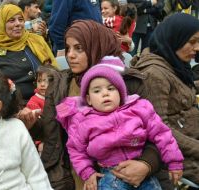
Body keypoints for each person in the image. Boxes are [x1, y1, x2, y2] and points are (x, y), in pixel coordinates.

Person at [18, 20, 170, 190]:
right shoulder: (61, 84)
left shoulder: (126, 83)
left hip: (128, 171)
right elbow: (53, 132)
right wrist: (32, 125)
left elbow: (158, 132)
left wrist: (146, 164)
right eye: (68, 48)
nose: (70, 55)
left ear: (96, 46)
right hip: (73, 171)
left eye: (79, 48)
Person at [56, 56, 184, 190]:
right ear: (88, 99)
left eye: (111, 89)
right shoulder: (82, 121)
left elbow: (162, 135)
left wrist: (174, 161)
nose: (105, 94)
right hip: (110, 175)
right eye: (97, 91)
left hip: (142, 169)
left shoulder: (139, 108)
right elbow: (76, 150)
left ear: (121, 93)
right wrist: (88, 173)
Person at [130, 12, 199, 185]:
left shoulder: (173, 62)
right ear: (173, 38)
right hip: (180, 157)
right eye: (191, 42)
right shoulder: (154, 74)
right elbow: (161, 129)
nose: (197, 48)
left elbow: (180, 91)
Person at [0, 4, 58, 102]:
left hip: (47, 100)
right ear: (2, 24)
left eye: (21, 19)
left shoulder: (35, 41)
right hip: (14, 107)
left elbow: (53, 69)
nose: (18, 24)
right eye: (11, 20)